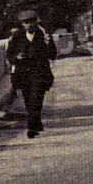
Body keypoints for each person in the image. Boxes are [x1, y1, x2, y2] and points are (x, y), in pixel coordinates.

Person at [6, 9, 57, 138]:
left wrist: (49, 42)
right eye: (26, 22)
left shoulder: (43, 35)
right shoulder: (17, 37)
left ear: (36, 22)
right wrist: (17, 57)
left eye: (32, 21)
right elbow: (9, 56)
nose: (29, 25)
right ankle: (36, 122)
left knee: (36, 99)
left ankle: (32, 127)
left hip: (40, 73)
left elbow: (52, 55)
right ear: (22, 24)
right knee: (28, 100)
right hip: (23, 75)